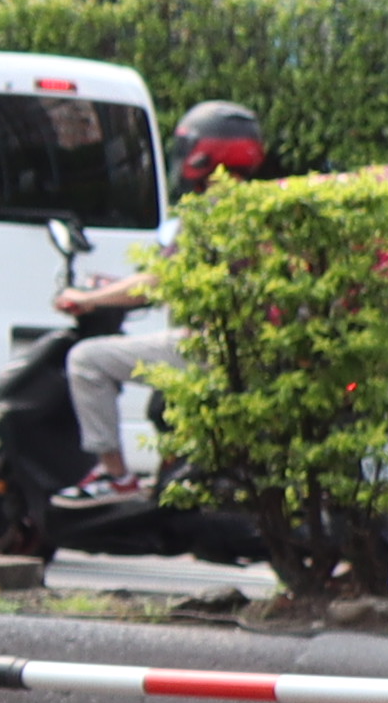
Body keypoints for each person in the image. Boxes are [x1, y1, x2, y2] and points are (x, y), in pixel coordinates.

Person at [52, 99, 273, 511]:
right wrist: (115, 287)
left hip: (210, 349)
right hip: (252, 349)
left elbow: (157, 282)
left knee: (87, 360)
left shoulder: (210, 210)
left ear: (203, 153)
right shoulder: (257, 207)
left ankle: (115, 478)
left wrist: (88, 298)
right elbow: (177, 276)